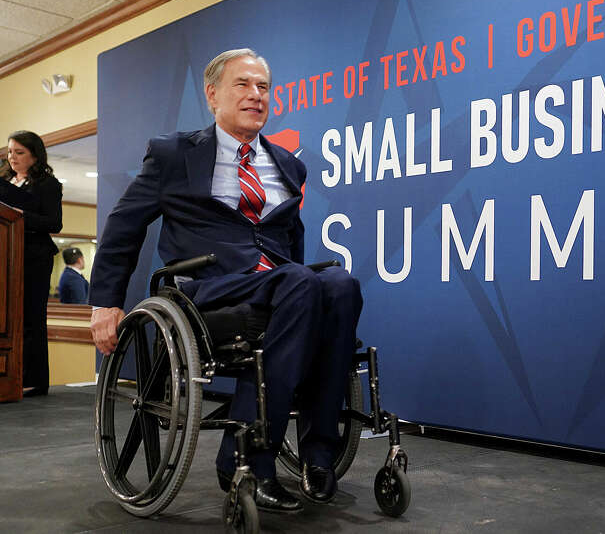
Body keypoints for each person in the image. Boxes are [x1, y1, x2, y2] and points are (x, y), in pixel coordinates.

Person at [89, 48, 361, 513]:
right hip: (206, 289)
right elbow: (124, 225)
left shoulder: (289, 165)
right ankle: (248, 461)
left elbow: (290, 237)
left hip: (277, 284)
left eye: (263, 87)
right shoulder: (174, 154)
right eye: (243, 85)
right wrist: (105, 302)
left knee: (340, 284)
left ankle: (319, 455)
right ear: (213, 94)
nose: (256, 95)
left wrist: (302, 286)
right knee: (301, 283)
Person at [0, 131, 63, 398]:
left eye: (19, 152)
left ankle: (34, 380)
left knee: (30, 319)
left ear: (35, 155)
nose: (12, 157)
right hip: (7, 255)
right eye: (10, 152)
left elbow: (54, 223)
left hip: (34, 257)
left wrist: (21, 215)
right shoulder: (4, 181)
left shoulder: (47, 184)